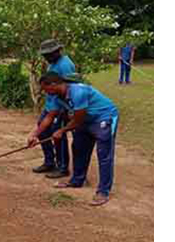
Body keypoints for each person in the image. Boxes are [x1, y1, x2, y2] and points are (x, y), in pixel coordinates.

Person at [28, 72, 119, 206]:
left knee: (104, 154)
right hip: (85, 121)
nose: (45, 92)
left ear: (53, 84)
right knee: (78, 148)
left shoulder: (78, 92)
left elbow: (78, 119)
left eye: (45, 88)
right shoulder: (55, 96)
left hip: (104, 117)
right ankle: (77, 180)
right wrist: (34, 134)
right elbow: (49, 117)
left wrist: (62, 130)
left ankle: (103, 191)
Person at [31, 39, 75, 177]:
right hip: (51, 104)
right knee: (42, 129)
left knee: (57, 134)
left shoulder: (65, 65)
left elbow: (69, 87)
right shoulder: (53, 63)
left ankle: (62, 167)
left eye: (48, 55)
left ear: (57, 51)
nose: (46, 58)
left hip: (60, 107)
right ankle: (49, 162)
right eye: (44, 55)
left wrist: (63, 110)